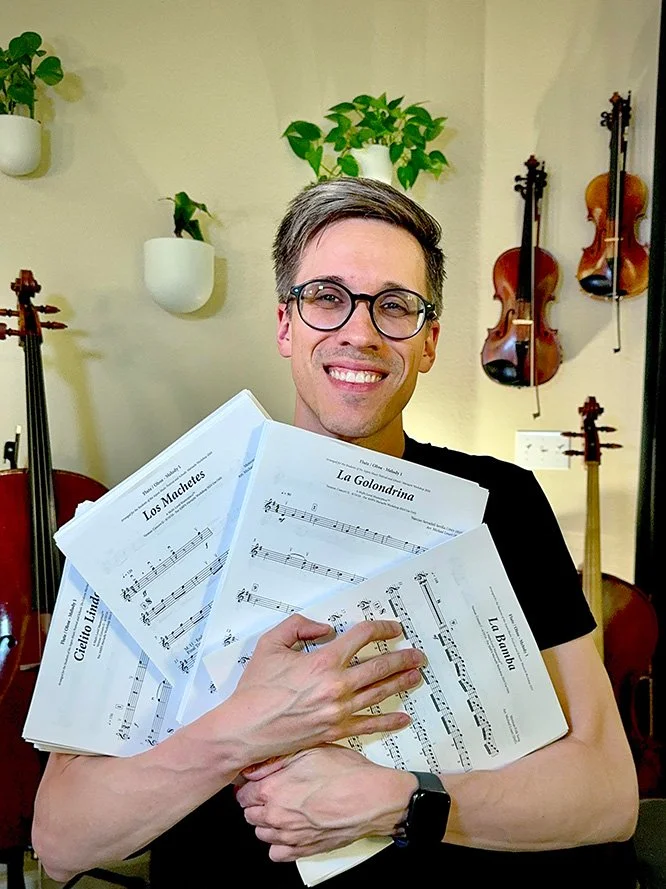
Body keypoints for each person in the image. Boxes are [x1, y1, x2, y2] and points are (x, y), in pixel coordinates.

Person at [32, 178, 639, 888]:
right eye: (326, 296)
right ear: (285, 324)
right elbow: (61, 836)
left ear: (430, 340)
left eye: (394, 305)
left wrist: (403, 801)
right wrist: (246, 727)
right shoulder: (162, 522)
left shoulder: (503, 502)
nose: (361, 331)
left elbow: (608, 793)